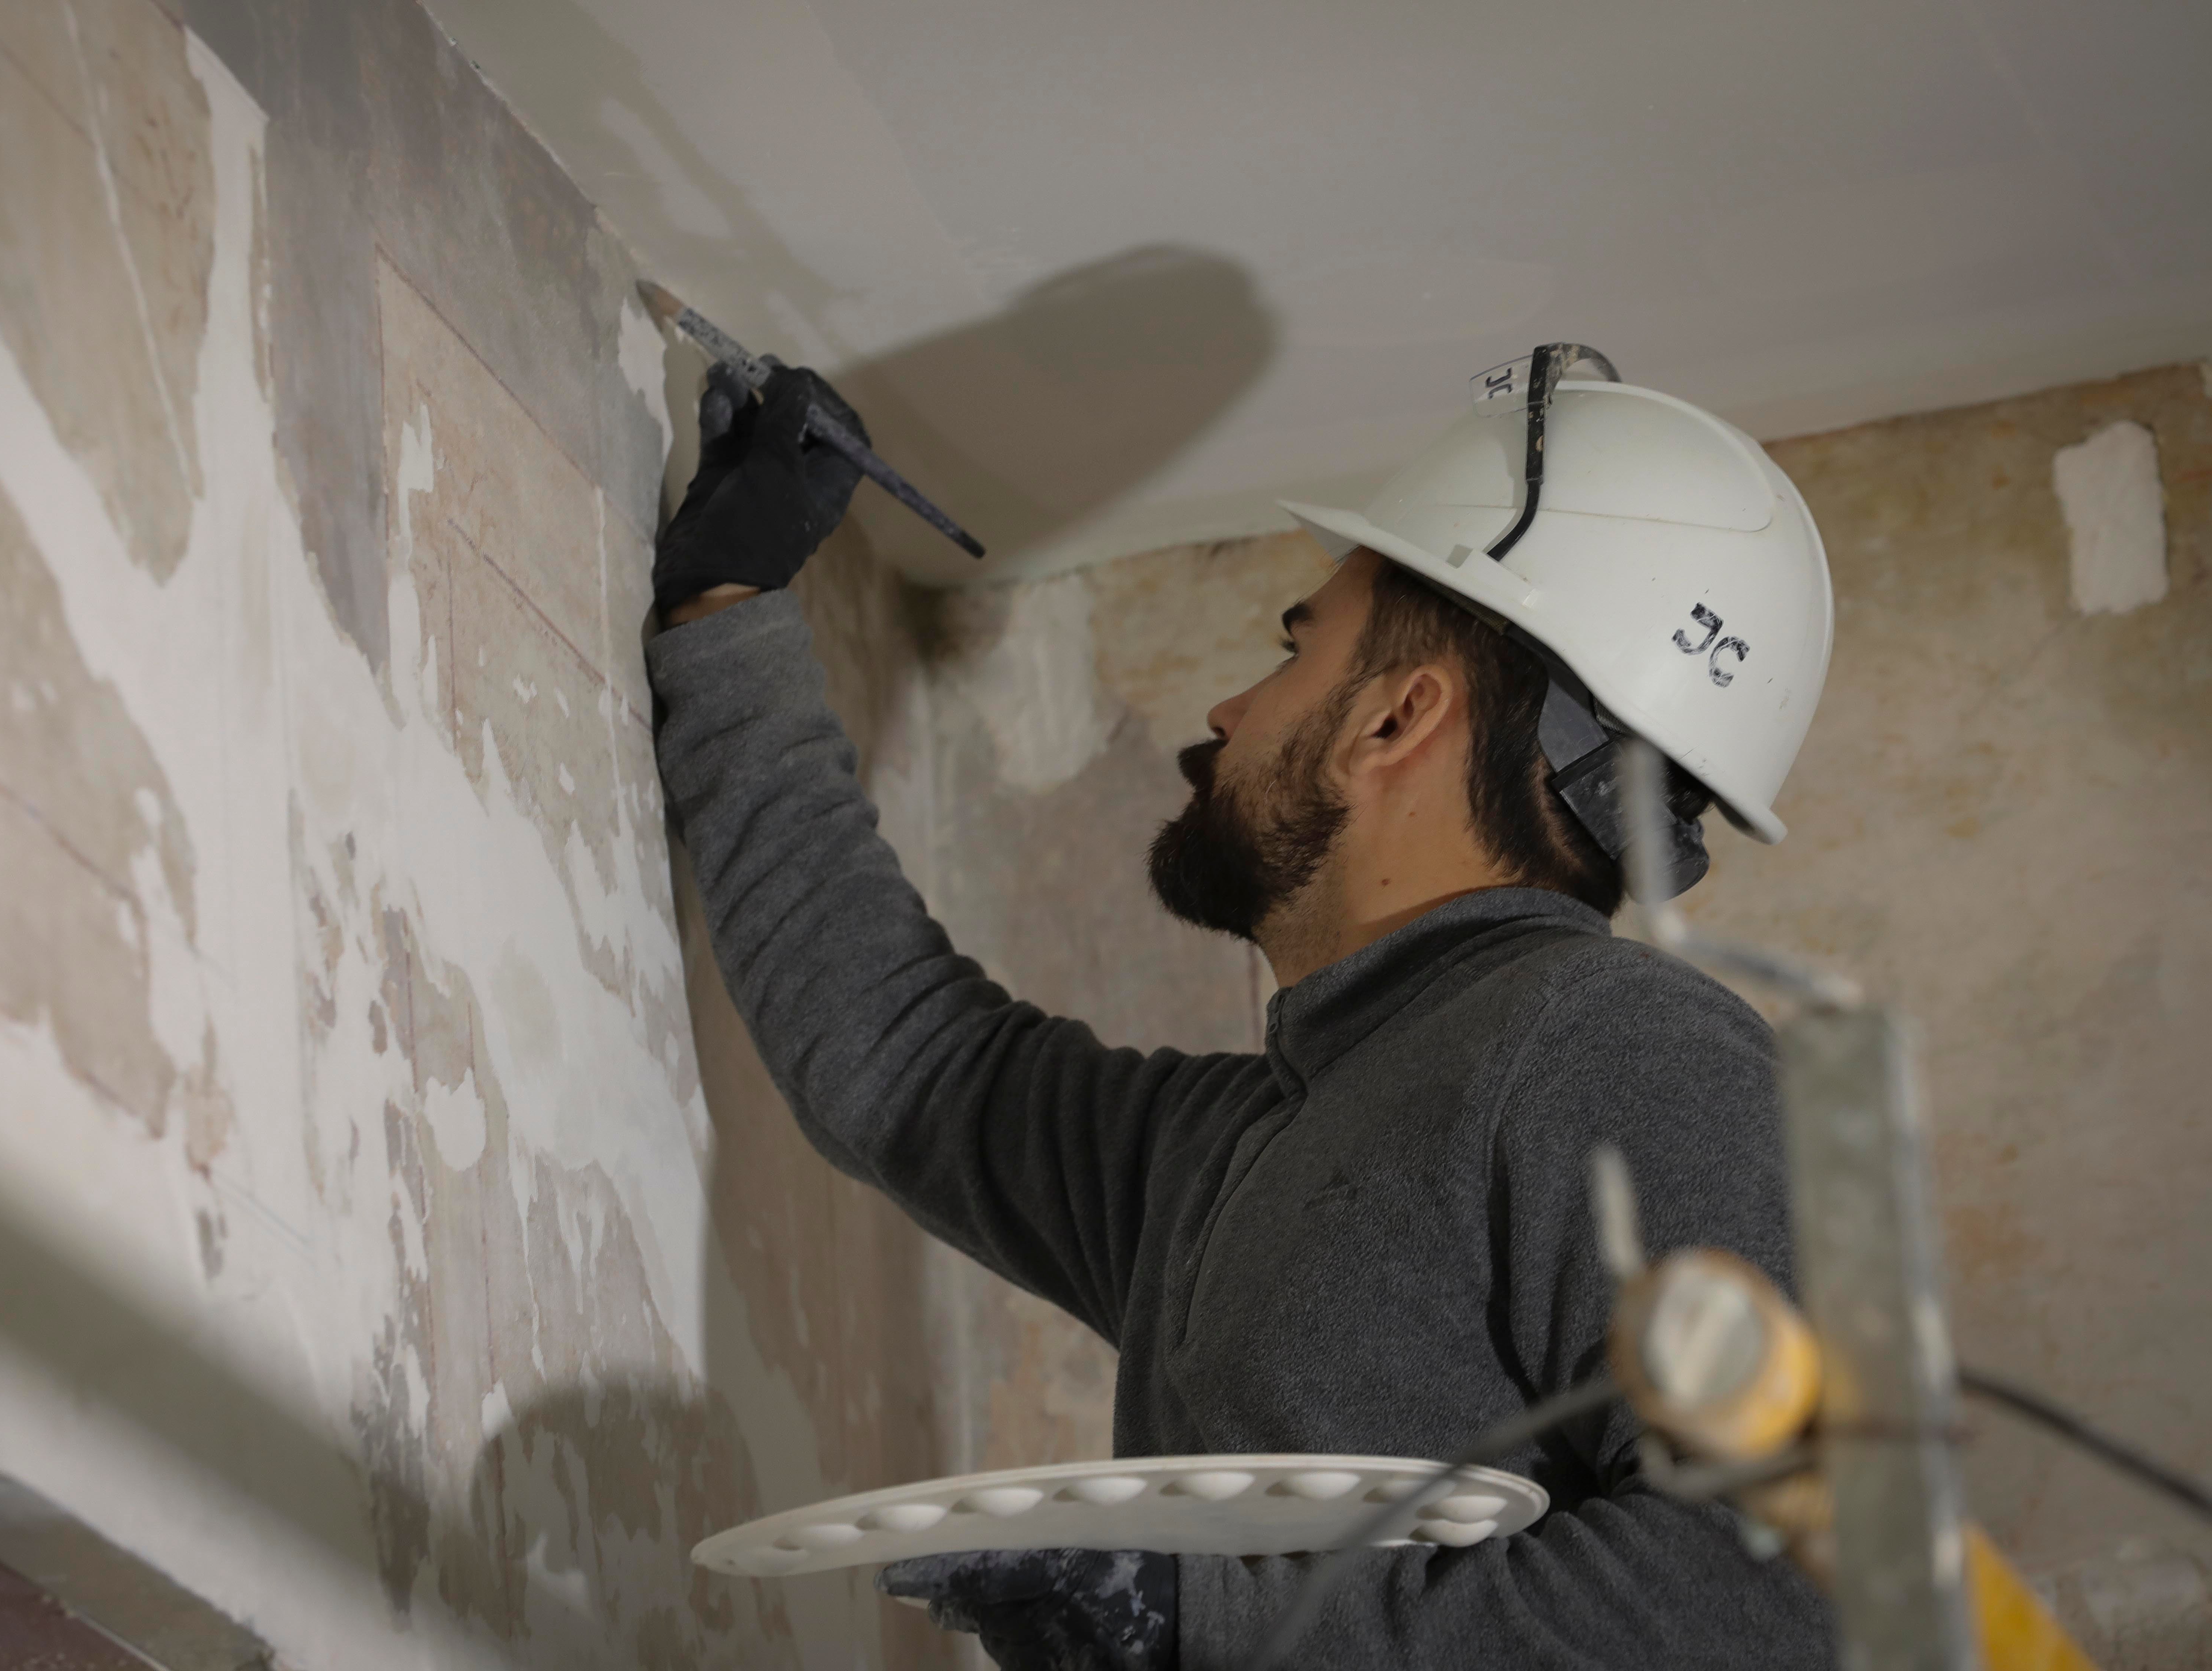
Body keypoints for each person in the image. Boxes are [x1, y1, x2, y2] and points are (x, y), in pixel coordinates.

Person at [645, 347, 1838, 1669]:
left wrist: (1189, 1627)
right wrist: (726, 610)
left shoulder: (1616, 1043)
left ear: (1396, 719)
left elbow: (1778, 1576)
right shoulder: (1235, 1147)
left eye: (1292, 648)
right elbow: (912, 1066)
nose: (1228, 709)